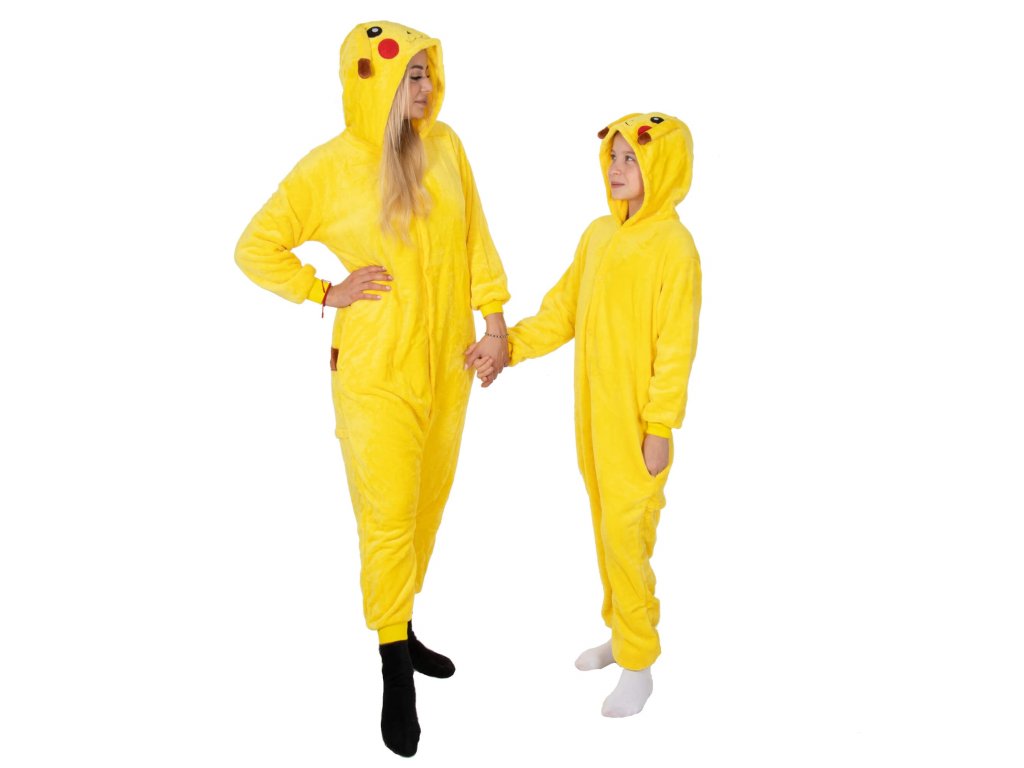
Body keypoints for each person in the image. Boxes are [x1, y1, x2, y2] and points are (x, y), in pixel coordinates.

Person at [235, 21, 510, 757]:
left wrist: (495, 324)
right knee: (387, 517)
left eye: (427, 72)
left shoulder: (446, 146)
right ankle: (394, 668)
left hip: (449, 366)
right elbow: (254, 246)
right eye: (410, 75)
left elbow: (476, 241)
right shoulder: (329, 167)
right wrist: (324, 291)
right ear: (374, 80)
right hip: (374, 374)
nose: (425, 87)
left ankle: (403, 624)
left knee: (424, 509)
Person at [470, 113, 701, 717]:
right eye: (614, 157)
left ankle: (639, 663)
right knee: (607, 529)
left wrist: (660, 426)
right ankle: (623, 634)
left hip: (636, 422)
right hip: (592, 416)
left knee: (628, 535)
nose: (618, 169)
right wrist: (509, 347)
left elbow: (677, 346)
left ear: (661, 167)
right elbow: (562, 311)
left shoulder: (674, 247)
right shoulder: (598, 236)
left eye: (632, 159)